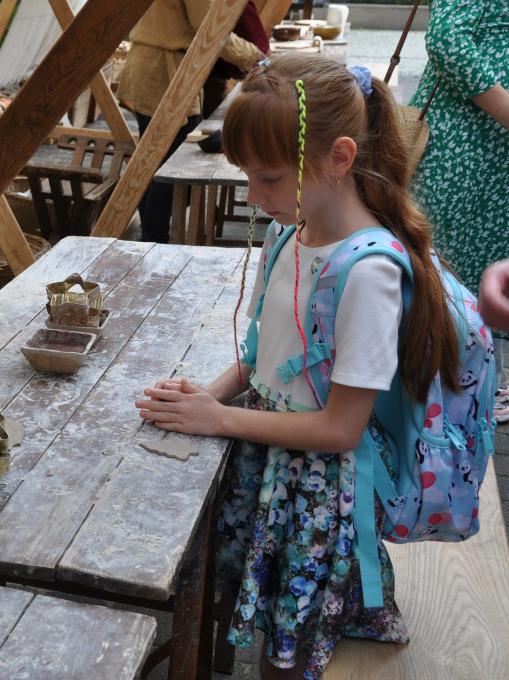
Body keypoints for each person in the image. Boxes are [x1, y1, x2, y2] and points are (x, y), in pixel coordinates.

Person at [135, 53, 463, 679]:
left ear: (339, 158)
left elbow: (341, 430)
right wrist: (209, 395)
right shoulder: (292, 231)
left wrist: (218, 420)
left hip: (319, 497)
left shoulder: (368, 274)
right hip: (268, 462)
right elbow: (264, 354)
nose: (253, 197)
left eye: (269, 179)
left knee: (288, 650)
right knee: (242, 599)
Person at [408, 0, 509, 415]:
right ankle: (443, 390)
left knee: (473, 270)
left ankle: (478, 384)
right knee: (443, 271)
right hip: (465, 150)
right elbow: (447, 38)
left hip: (485, 154)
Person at [116, 0, 264, 243]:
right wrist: (254, 55)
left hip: (150, 65)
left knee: (150, 161)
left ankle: (152, 234)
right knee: (166, 167)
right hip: (168, 73)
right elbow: (210, 30)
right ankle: (154, 238)